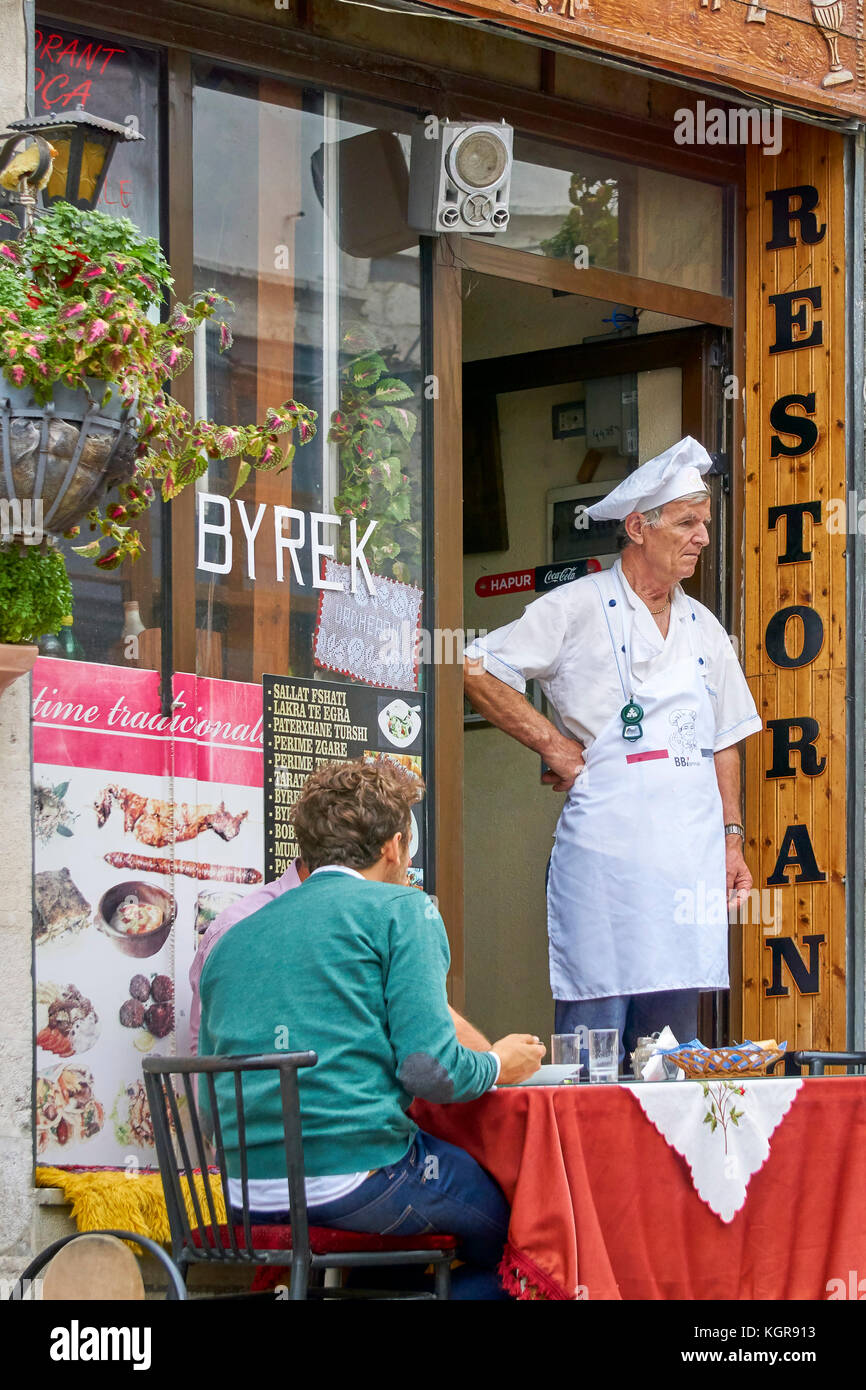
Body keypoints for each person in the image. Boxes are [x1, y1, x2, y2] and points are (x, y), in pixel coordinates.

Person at [463, 436, 763, 1066]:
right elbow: (476, 666)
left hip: (688, 858)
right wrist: (555, 745)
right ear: (637, 527)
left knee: (671, 1054)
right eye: (687, 522)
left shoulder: (705, 626)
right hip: (606, 858)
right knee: (591, 1047)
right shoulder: (575, 606)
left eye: (705, 522)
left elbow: (725, 740)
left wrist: (732, 840)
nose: (702, 536)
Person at [198, 758, 545, 1298]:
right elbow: (432, 1070)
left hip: (244, 1194)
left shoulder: (232, 938)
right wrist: (500, 1062)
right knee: (525, 1235)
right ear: (396, 848)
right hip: (355, 1181)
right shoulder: (402, 908)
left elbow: (209, 1105)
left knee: (411, 1228)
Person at [189, 857, 496, 1056]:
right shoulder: (384, 918)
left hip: (239, 1145)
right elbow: (431, 1060)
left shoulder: (233, 928)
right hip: (342, 1147)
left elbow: (202, 1063)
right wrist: (496, 1063)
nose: (407, 862)